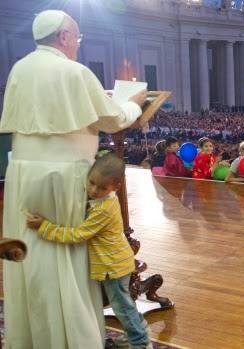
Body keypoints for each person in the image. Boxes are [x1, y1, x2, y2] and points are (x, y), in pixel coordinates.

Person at [0, 10, 147, 348]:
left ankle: (33, 337)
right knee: (65, 256)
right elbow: (112, 119)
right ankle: (72, 338)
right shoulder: (74, 71)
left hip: (22, 172)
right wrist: (134, 104)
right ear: (64, 36)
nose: (78, 45)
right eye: (77, 38)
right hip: (62, 175)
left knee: (32, 254)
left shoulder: (20, 68)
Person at [25, 154, 152, 349]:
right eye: (91, 182)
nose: (93, 190)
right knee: (124, 303)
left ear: (115, 188)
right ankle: (139, 330)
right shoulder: (105, 200)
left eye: (101, 188)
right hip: (117, 261)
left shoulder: (103, 209)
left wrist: (45, 226)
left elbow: (77, 235)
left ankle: (140, 341)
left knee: (121, 307)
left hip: (113, 265)